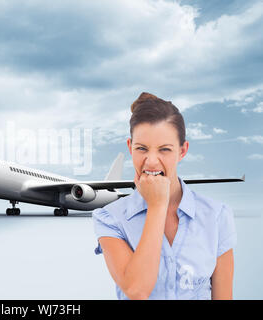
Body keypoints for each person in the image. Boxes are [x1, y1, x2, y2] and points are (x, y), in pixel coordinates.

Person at [92, 92, 237, 300]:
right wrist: (157, 206)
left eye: (165, 150)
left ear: (182, 151)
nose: (151, 161)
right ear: (129, 148)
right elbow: (137, 290)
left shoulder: (216, 216)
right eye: (141, 148)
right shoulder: (111, 219)